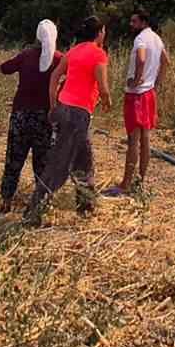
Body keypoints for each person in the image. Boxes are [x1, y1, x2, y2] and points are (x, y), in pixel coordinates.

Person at [23, 16, 111, 226]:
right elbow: (103, 84)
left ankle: (86, 205)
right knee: (60, 165)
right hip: (77, 115)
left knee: (84, 159)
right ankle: (33, 210)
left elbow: (54, 77)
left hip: (64, 108)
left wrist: (54, 105)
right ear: (99, 33)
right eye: (104, 31)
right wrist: (107, 99)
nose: (104, 34)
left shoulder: (72, 52)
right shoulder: (98, 53)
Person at [0, 19, 63, 214]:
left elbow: (4, 68)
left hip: (21, 116)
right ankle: (41, 204)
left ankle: (6, 201)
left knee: (14, 160)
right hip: (46, 118)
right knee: (43, 163)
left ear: (37, 37)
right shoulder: (59, 59)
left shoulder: (26, 55)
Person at [109, 10, 169, 197]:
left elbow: (141, 58)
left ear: (143, 22)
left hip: (136, 96)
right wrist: (156, 83)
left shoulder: (140, 39)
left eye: (134, 21)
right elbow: (166, 61)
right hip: (149, 93)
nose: (131, 24)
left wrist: (137, 79)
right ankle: (140, 181)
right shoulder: (157, 39)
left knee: (133, 141)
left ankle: (126, 184)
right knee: (146, 140)